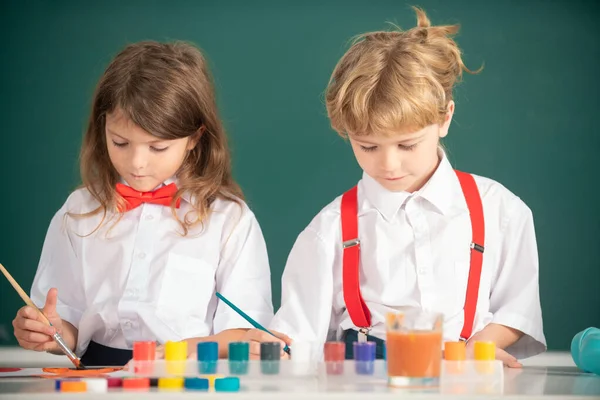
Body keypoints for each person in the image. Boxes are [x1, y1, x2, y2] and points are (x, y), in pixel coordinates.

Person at [12, 41, 273, 366]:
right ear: (102, 127)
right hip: (96, 377)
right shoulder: (78, 210)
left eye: (157, 148)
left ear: (194, 138)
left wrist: (184, 350)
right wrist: (49, 332)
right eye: (120, 142)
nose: (136, 162)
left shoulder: (229, 219)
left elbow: (247, 333)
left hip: (187, 377)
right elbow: (69, 327)